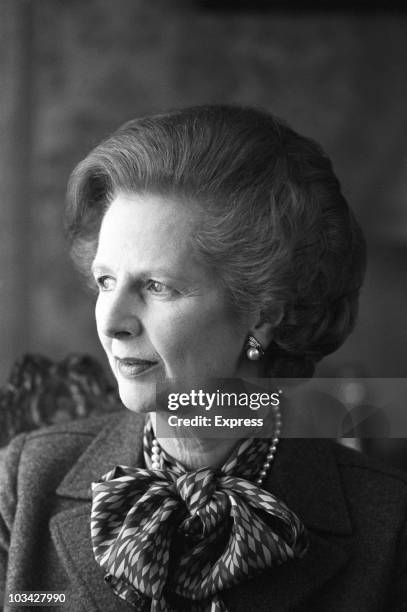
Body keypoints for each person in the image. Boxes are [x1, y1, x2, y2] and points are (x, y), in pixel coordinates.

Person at [1, 104, 406, 612]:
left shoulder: (388, 521)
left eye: (157, 286)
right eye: (107, 281)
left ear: (263, 313)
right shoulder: (28, 476)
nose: (112, 322)